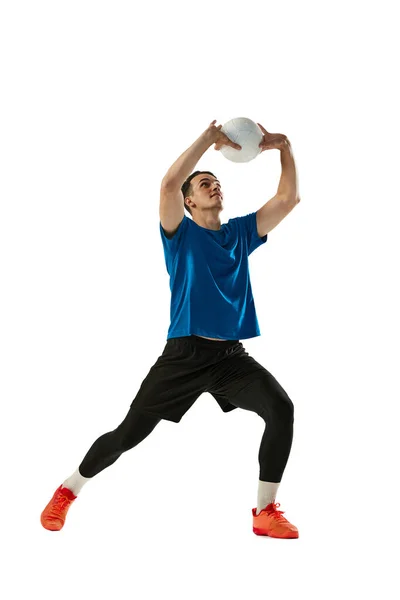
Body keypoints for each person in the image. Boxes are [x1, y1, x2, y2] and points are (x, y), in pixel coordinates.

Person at [41, 119, 301, 539]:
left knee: (281, 410)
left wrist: (284, 146)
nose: (213, 185)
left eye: (216, 181)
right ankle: (67, 491)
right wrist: (209, 139)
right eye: (202, 184)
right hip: (183, 355)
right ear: (189, 204)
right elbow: (167, 185)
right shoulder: (178, 235)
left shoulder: (240, 234)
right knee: (127, 435)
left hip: (229, 358)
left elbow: (289, 198)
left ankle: (265, 511)